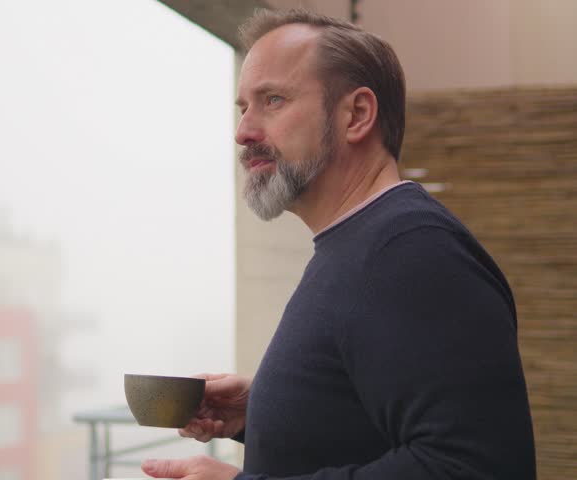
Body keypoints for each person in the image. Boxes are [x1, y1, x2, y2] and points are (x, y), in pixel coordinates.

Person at [140, 8, 536, 480]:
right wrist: (269, 408)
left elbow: (473, 467)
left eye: (273, 100)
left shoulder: (410, 251)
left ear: (357, 115)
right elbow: (375, 420)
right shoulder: (357, 244)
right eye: (243, 107)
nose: (243, 131)